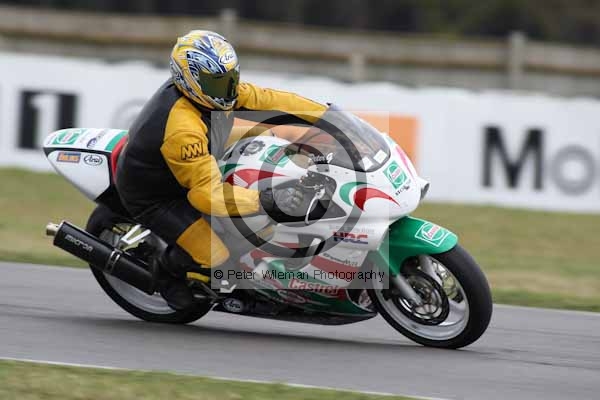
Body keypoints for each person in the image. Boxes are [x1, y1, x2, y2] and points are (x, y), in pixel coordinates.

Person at [115, 30, 327, 310]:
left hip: (197, 164)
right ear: (189, 80)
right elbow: (206, 195)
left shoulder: (216, 91)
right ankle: (165, 273)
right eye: (218, 83)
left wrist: (327, 114)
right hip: (158, 195)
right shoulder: (182, 129)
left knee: (268, 154)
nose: (228, 90)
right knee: (218, 256)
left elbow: (270, 100)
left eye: (231, 79)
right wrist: (267, 200)